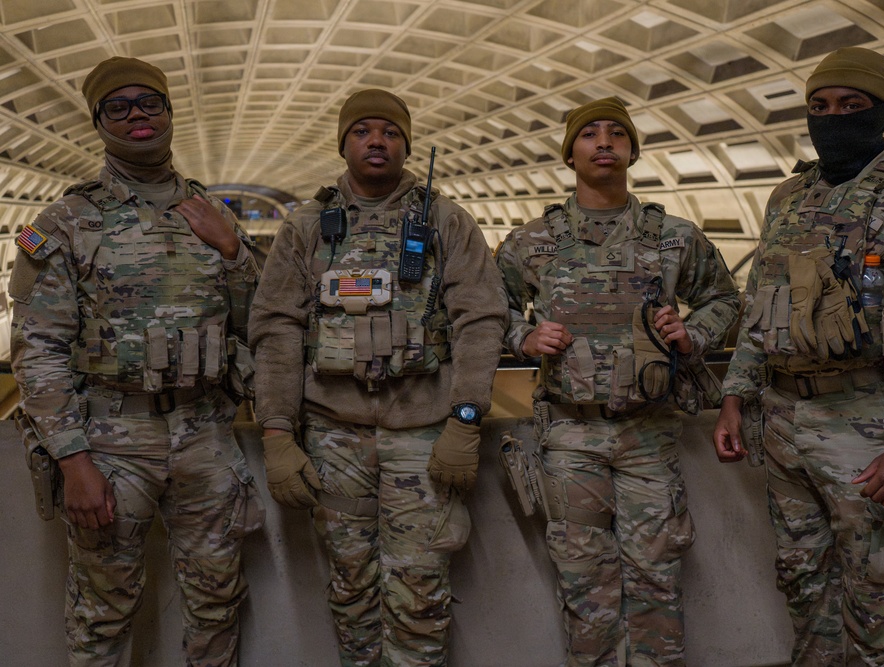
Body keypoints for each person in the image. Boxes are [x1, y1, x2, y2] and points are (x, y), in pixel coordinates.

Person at [713, 47, 884, 664]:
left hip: (867, 428)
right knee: (806, 592)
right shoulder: (787, 199)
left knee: (880, 607)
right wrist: (734, 397)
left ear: (880, 111)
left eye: (850, 104)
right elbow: (761, 306)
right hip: (782, 426)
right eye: (819, 105)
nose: (831, 115)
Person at [9, 56, 264, 666]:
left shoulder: (214, 214)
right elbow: (38, 348)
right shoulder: (67, 221)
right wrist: (72, 459)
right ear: (99, 123)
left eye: (149, 103)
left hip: (206, 435)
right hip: (109, 443)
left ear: (170, 113)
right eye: (118, 107)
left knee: (218, 601)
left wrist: (232, 251)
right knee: (103, 611)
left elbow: (261, 321)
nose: (137, 117)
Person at [249, 88, 508, 667]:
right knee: (350, 585)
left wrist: (465, 418)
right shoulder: (309, 225)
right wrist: (276, 432)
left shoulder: (445, 220)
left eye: (390, 132)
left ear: (405, 144)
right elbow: (275, 329)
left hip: (423, 435)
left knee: (419, 588)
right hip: (333, 435)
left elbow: (481, 319)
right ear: (343, 142)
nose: (376, 141)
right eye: (363, 130)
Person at [496, 97, 740, 666]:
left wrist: (692, 334)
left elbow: (725, 299)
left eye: (616, 134)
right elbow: (486, 310)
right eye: (588, 134)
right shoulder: (533, 242)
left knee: (657, 581)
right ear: (570, 153)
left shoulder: (675, 237)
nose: (603, 142)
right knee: (586, 590)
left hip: (649, 435)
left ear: (632, 150)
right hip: (569, 437)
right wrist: (523, 338)